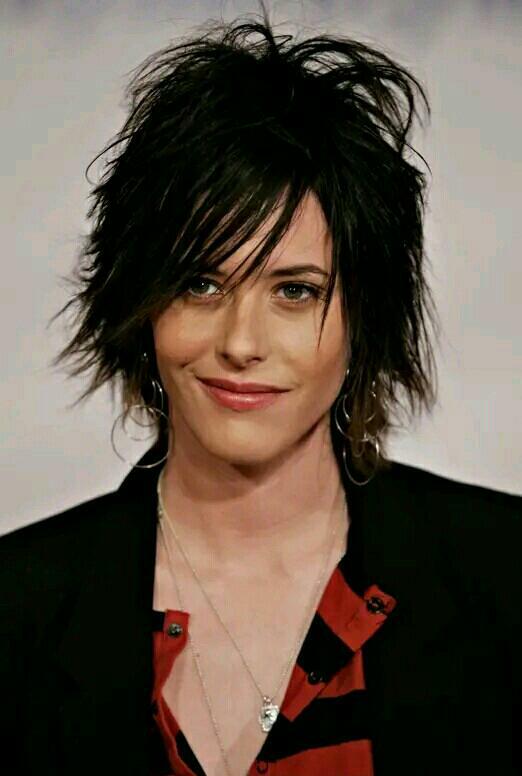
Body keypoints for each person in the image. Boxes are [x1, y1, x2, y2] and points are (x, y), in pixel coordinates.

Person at [1, 4, 520, 775]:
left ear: (366, 320)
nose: (241, 343)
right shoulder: (19, 612)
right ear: (141, 305)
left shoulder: (503, 575)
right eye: (201, 283)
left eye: (295, 291)